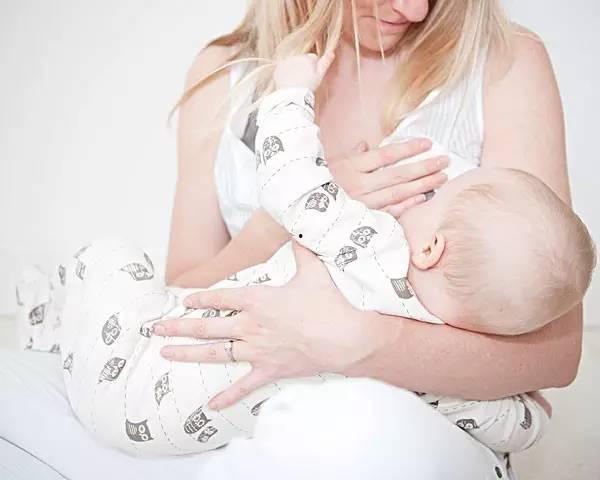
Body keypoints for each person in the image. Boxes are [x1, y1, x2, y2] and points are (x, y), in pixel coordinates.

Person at [15, 51, 595, 459]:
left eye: (436, 195)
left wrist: (291, 90)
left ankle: (49, 318)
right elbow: (519, 423)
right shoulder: (444, 372)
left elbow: (289, 180)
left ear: (430, 247)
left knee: (109, 257)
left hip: (138, 383)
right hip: (178, 431)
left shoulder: (371, 248)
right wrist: (525, 408)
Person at [150, 1, 584, 478]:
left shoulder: (504, 60)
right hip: (248, 412)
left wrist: (357, 341)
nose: (415, 10)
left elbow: (556, 356)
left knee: (364, 431)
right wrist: (282, 221)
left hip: (406, 435)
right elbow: (173, 308)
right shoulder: (224, 75)